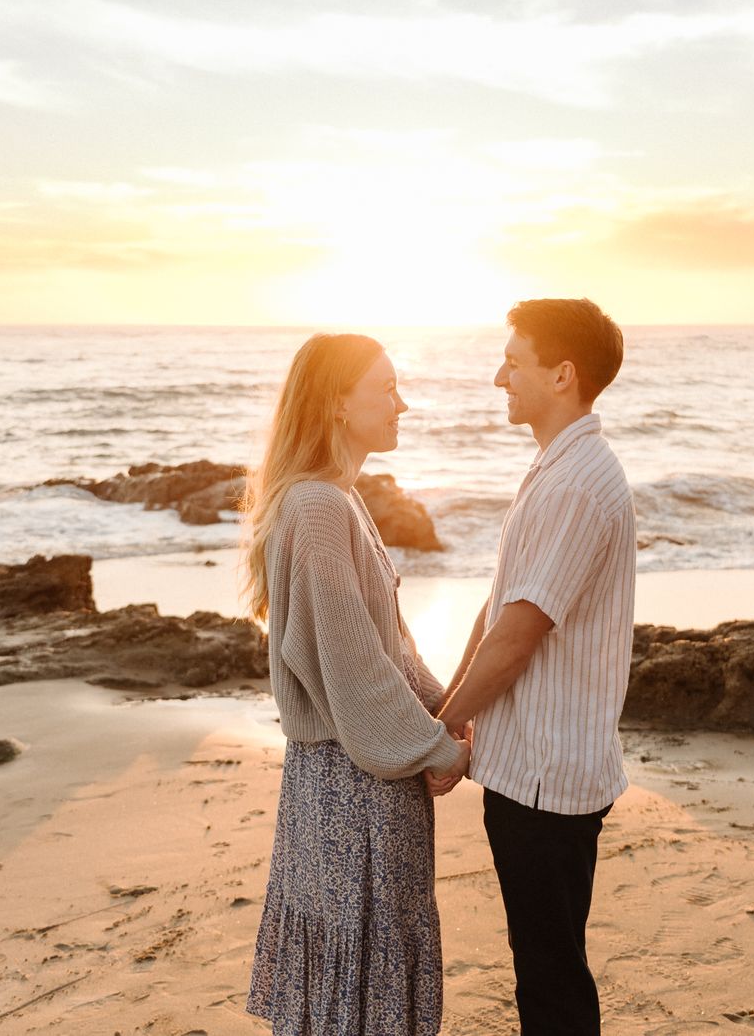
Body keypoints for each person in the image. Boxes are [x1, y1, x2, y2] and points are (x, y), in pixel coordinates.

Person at [243, 332, 472, 1036]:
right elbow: (354, 670)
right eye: (387, 388)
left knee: (357, 992)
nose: (403, 403)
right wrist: (439, 750)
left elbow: (389, 650)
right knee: (359, 1002)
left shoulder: (338, 500)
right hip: (353, 790)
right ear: (340, 404)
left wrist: (448, 712)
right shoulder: (317, 507)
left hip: (351, 780)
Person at [435, 298, 635, 1036]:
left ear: (561, 374)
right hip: (530, 768)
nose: (498, 378)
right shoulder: (556, 471)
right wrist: (448, 713)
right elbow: (497, 612)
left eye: (512, 362)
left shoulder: (579, 484)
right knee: (541, 962)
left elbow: (518, 637)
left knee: (550, 976)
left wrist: (445, 726)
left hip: (550, 780)